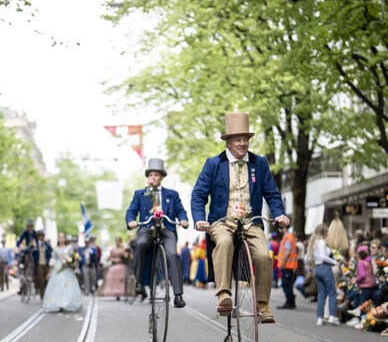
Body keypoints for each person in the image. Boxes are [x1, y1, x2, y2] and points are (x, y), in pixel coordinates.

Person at [190, 113, 289, 322]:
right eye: (238, 139)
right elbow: (198, 195)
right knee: (225, 242)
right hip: (222, 221)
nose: (243, 143)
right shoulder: (213, 164)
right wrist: (199, 219)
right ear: (228, 142)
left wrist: (279, 214)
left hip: (251, 222)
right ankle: (223, 294)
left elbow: (272, 193)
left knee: (263, 255)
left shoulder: (259, 163)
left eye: (246, 139)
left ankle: (262, 305)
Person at [126, 158, 190, 308]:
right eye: (150, 175)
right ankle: (139, 282)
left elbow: (180, 210)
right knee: (140, 243)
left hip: (167, 228)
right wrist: (131, 221)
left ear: (161, 177)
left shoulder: (172, 194)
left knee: (172, 254)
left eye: (156, 174)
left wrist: (183, 220)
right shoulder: (140, 194)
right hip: (147, 227)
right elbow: (131, 211)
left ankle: (178, 295)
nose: (153, 177)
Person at [309, 223, 340, 326]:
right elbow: (323, 257)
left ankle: (320, 317)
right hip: (325, 268)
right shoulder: (322, 242)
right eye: (327, 231)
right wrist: (335, 262)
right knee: (332, 293)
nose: (328, 233)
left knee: (321, 294)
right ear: (323, 232)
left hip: (318, 269)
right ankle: (332, 316)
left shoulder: (314, 242)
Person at [42, 233, 83, 312]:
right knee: (57, 285)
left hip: (67, 269)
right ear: (58, 239)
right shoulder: (55, 249)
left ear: (65, 239)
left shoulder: (69, 248)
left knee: (67, 286)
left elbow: (73, 258)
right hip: (57, 269)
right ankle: (58, 303)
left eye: (62, 237)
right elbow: (53, 261)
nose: (61, 239)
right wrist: (49, 272)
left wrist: (70, 263)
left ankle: (66, 303)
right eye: (60, 238)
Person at [277, 227, 299, 310]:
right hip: (288, 265)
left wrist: (283, 264)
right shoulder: (288, 237)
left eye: (279, 226)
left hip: (287, 265)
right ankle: (291, 301)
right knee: (288, 284)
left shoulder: (288, 238)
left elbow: (287, 251)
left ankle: (290, 301)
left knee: (286, 284)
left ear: (284, 228)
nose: (278, 228)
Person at [34, 230, 53, 299]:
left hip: (46, 264)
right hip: (39, 265)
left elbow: (52, 251)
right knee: (41, 281)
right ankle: (43, 297)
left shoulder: (47, 244)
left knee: (47, 280)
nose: (41, 237)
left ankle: (48, 296)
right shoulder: (35, 245)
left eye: (42, 236)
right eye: (39, 236)